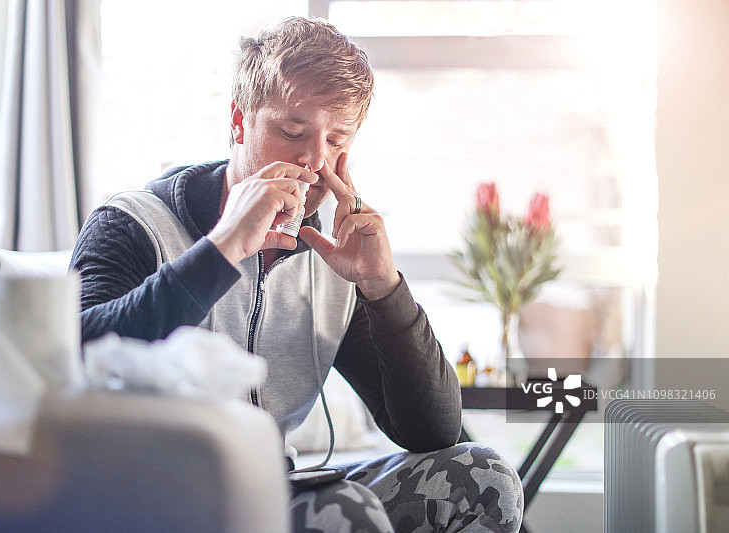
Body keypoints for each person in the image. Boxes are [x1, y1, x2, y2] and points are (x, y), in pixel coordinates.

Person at [70, 16, 523, 533]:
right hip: (155, 500)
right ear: (239, 122)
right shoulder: (132, 223)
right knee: (342, 513)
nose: (313, 161)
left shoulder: (331, 261)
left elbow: (432, 430)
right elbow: (74, 358)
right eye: (292, 132)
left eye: (337, 141)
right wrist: (222, 249)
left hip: (272, 498)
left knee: (484, 476)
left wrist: (383, 288)